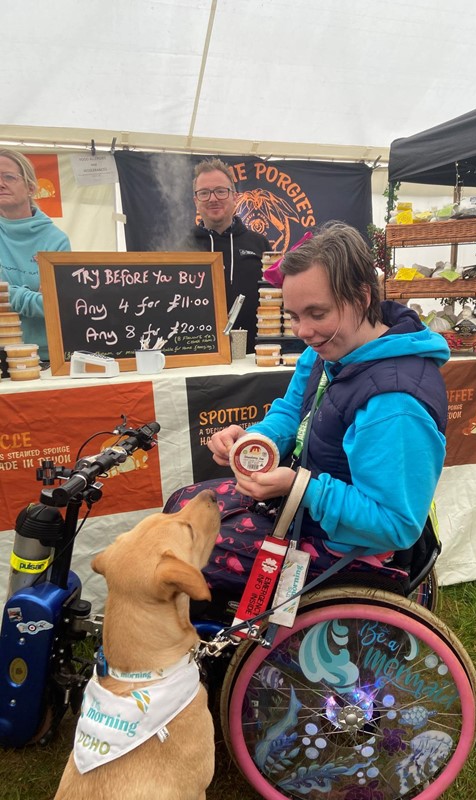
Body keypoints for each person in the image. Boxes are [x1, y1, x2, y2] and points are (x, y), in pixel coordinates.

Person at [168, 222, 450, 601]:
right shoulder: (326, 350)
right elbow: (290, 412)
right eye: (294, 316)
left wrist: (299, 487)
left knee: (180, 551)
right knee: (181, 505)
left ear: (362, 296)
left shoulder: (394, 404)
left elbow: (395, 524)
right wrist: (257, 441)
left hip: (351, 551)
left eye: (317, 313)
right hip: (308, 514)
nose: (302, 330)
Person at [184, 158, 270, 351]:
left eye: (221, 191)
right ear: (196, 201)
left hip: (254, 357)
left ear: (234, 197)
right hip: (198, 354)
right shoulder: (182, 247)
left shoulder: (260, 244)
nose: (213, 199)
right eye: (204, 193)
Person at [0, 149, 71, 361]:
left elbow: (58, 304)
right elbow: (43, 302)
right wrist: (36, 296)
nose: (1, 184)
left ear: (31, 188)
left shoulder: (56, 240)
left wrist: (7, 292)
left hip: (46, 357)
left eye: (8, 177)